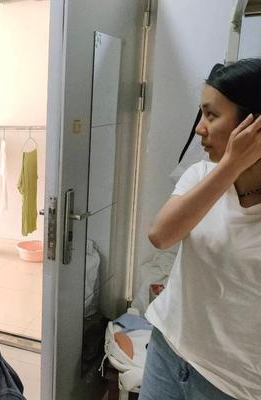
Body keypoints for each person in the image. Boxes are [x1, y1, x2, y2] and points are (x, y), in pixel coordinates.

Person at [141, 58, 261, 400]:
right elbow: (161, 235)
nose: (199, 128)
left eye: (211, 115)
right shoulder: (200, 175)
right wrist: (231, 165)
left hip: (232, 384)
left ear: (253, 125)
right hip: (168, 349)